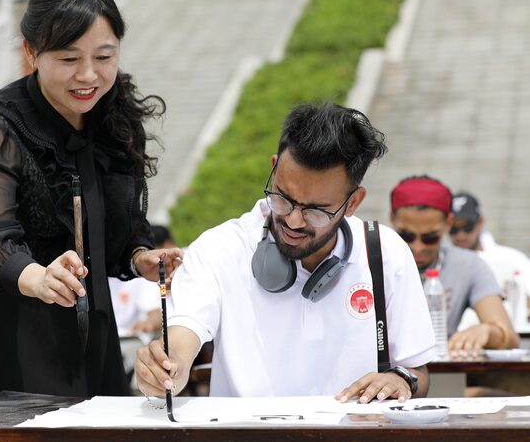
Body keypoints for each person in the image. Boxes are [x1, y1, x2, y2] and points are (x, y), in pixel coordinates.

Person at [0, 0, 184, 412]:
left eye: (104, 57)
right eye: (68, 60)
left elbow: (118, 231)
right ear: (32, 52)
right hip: (13, 336)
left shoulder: (115, 116)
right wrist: (38, 277)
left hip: (93, 332)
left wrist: (140, 257)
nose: (89, 75)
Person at [137, 103, 436, 403]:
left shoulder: (385, 253)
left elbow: (417, 372)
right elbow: (182, 336)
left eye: (316, 211)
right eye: (283, 198)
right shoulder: (221, 248)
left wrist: (400, 380)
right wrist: (166, 367)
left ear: (353, 203)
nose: (293, 220)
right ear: (274, 168)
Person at [389, 176, 519, 359]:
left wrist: (488, 331)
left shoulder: (468, 264)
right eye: (407, 236)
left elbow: (510, 336)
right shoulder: (371, 259)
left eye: (430, 237)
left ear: (448, 223)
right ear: (392, 219)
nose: (418, 247)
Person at [449, 192, 530, 326]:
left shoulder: (512, 258)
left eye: (467, 227)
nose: (461, 235)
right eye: (453, 229)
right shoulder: (440, 265)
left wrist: (518, 296)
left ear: (480, 222)